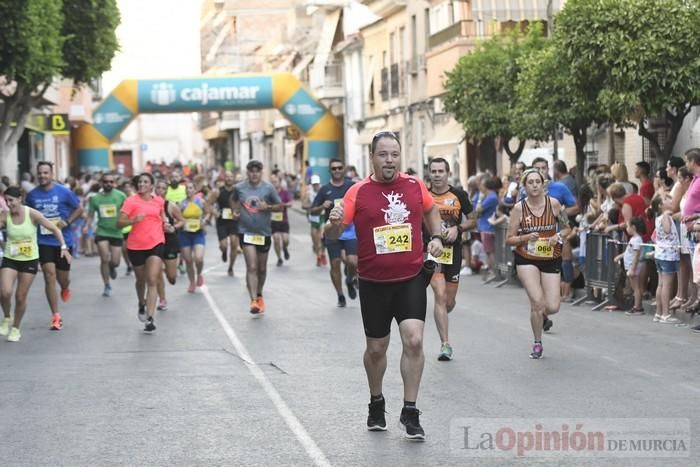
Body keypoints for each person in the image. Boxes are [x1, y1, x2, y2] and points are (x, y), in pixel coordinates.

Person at [325, 131, 444, 441]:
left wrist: (437, 237)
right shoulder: (358, 192)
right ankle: (376, 402)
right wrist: (334, 220)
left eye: (394, 154)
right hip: (374, 283)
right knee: (376, 350)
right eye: (383, 154)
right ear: (372, 157)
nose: (389, 160)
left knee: (414, 340)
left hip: (411, 278)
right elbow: (334, 233)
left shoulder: (414, 185)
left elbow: (431, 210)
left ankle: (410, 410)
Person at [506, 168, 570, 359]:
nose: (534, 185)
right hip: (526, 258)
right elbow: (509, 238)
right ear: (524, 186)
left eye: (537, 181)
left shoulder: (555, 205)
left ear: (544, 184)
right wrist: (525, 237)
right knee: (537, 302)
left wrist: (557, 236)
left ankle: (540, 314)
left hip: (551, 258)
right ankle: (537, 342)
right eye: (530, 182)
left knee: (552, 306)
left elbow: (568, 229)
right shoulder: (519, 208)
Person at [0, 186, 72, 342]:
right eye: (6, 201)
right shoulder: (5, 215)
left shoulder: (31, 214)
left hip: (29, 260)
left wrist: (64, 247)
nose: (8, 204)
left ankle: (16, 328)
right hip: (10, 258)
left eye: (11, 200)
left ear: (20, 199)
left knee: (20, 296)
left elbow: (54, 229)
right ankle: (6, 317)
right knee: (5, 292)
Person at [25, 161, 83, 331]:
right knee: (49, 275)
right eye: (40, 173)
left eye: (46, 173)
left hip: (63, 242)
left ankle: (65, 287)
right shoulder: (32, 195)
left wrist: (67, 221)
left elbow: (79, 209)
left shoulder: (64, 192)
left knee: (62, 278)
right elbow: (28, 216)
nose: (42, 176)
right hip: (43, 241)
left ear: (51, 174)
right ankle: (56, 316)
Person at [426, 157, 474, 361]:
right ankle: (445, 344)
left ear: (447, 173)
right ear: (429, 173)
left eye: (440, 171)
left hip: (453, 253)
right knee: (439, 295)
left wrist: (459, 228)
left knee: (449, 301)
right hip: (431, 252)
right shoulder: (424, 195)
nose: (437, 175)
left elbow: (473, 219)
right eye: (433, 171)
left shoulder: (459, 195)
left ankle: (442, 315)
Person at [232, 160, 282, 316]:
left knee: (261, 269)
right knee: (252, 267)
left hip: (263, 233)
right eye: (251, 171)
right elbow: (233, 199)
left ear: (261, 172)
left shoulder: (268, 188)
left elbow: (280, 205)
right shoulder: (239, 188)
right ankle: (253, 300)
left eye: (257, 171)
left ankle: (259, 294)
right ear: (247, 172)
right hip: (246, 232)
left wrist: (267, 207)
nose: (254, 174)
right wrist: (235, 211)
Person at [117, 173, 165, 333]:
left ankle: (150, 318)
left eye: (146, 182)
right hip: (136, 245)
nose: (142, 184)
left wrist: (167, 226)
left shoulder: (159, 201)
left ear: (151, 185)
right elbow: (118, 223)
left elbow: (162, 220)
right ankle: (141, 303)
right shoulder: (130, 201)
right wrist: (133, 221)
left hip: (156, 242)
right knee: (141, 280)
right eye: (140, 182)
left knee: (152, 279)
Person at [311, 159, 358, 306]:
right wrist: (322, 206)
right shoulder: (325, 190)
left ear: (343, 169)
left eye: (339, 168)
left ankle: (350, 279)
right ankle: (340, 295)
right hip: (332, 231)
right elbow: (312, 209)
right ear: (330, 171)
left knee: (352, 262)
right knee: (335, 263)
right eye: (334, 168)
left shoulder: (352, 185)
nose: (337, 170)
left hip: (350, 231)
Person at [84, 173, 127, 297]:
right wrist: (87, 225)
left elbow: (127, 211)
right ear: (102, 183)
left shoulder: (121, 196)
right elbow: (91, 215)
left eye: (111, 182)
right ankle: (106, 285)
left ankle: (112, 267)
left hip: (116, 231)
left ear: (114, 183)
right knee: (104, 258)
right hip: (102, 231)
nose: (108, 184)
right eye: (106, 182)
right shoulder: (95, 198)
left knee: (116, 261)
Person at [648, 195, 681, 323]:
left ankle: (658, 313)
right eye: (666, 199)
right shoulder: (664, 217)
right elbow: (667, 230)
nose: (670, 200)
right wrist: (668, 216)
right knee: (666, 284)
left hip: (661, 254)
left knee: (661, 284)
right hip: (668, 255)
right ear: (661, 206)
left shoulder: (658, 218)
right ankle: (665, 314)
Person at [208, 171, 240, 276]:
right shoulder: (218, 191)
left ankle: (231, 267)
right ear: (224, 179)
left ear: (233, 178)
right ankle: (224, 251)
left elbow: (243, 204)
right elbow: (208, 204)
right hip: (222, 221)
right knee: (224, 245)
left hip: (234, 221)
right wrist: (214, 212)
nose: (229, 179)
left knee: (234, 243)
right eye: (227, 177)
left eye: (231, 176)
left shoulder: (237, 191)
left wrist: (238, 212)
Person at [178, 181, 208, 293]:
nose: (188, 190)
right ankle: (191, 282)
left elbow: (208, 212)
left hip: (198, 233)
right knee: (188, 260)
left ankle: (199, 274)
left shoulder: (200, 202)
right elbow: (178, 217)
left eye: (191, 188)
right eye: (187, 188)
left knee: (198, 258)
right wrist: (181, 222)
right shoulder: (181, 204)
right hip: (185, 234)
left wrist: (203, 221)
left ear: (195, 190)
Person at [614, 217, 645, 315]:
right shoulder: (634, 239)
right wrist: (620, 256)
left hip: (633, 266)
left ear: (633, 227)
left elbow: (636, 255)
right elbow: (628, 252)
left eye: (627, 226)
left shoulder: (636, 240)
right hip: (631, 265)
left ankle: (637, 307)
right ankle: (637, 306)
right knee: (635, 287)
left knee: (636, 287)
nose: (626, 229)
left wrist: (632, 268)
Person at [302, 175, 326, 266]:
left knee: (322, 236)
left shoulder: (323, 191)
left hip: (322, 216)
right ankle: (318, 255)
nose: (316, 186)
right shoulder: (309, 193)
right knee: (314, 238)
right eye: (314, 184)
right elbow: (303, 205)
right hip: (313, 218)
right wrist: (312, 206)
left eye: (317, 184)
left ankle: (322, 253)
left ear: (319, 183)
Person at [270, 174, 293, 267]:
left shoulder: (285, 192)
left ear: (280, 182)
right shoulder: (270, 193)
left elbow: (291, 203)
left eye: (276, 181)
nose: (274, 183)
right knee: (276, 239)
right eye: (273, 182)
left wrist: (284, 205)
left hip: (284, 220)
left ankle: (285, 248)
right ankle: (279, 258)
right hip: (274, 220)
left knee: (285, 240)